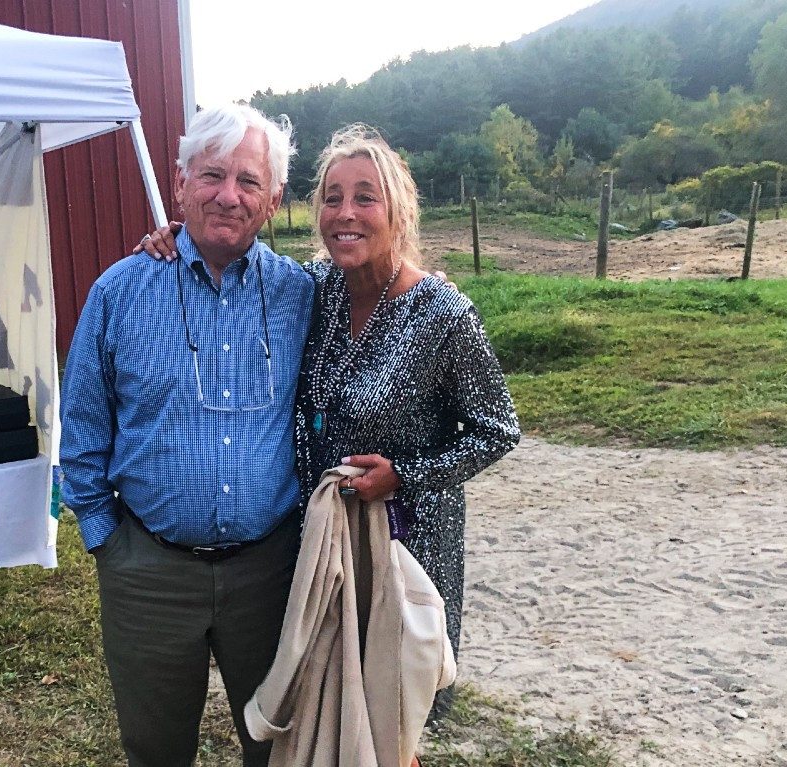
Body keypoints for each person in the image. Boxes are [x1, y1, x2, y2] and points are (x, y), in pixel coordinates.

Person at [139, 124, 521, 736]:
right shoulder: (314, 291)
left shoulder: (442, 314)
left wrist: (405, 475)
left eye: (365, 197)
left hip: (403, 546)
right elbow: (233, 261)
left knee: (391, 708)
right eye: (333, 198)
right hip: (319, 548)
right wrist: (173, 237)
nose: (346, 213)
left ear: (397, 209)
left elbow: (498, 428)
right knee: (328, 704)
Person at [59, 104, 314, 767]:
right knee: (155, 748)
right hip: (147, 571)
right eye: (211, 175)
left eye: (249, 181)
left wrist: (429, 288)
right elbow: (82, 428)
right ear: (179, 184)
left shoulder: (304, 296)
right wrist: (104, 538)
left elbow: (383, 295)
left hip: (270, 571)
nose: (228, 195)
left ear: (274, 199)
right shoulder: (119, 291)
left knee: (281, 744)